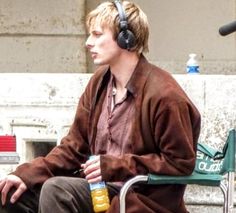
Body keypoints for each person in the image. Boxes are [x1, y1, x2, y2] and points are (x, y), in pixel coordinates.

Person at [0, 0, 201, 212]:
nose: (88, 42)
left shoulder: (164, 94)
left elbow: (180, 163)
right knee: (10, 195)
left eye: (97, 35)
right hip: (99, 191)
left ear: (126, 38)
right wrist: (27, 173)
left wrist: (115, 166)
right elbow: (72, 148)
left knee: (57, 190)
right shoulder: (99, 83)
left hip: (138, 198)